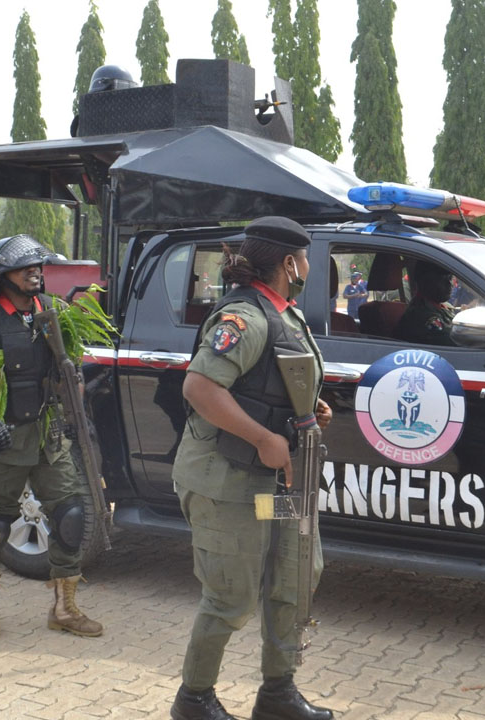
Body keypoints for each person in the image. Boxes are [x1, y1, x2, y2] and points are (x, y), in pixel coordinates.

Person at [170, 216, 334, 720]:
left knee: (294, 576)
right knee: (232, 595)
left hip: (276, 485)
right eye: (305, 258)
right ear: (289, 262)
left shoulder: (284, 313)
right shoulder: (246, 318)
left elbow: (271, 380)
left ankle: (277, 695)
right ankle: (193, 700)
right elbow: (200, 388)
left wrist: (305, 409)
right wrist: (265, 437)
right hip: (229, 483)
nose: (309, 266)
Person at [0, 234, 103, 641]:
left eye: (38, 266)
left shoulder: (52, 311)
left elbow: (70, 365)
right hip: (3, 440)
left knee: (71, 518)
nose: (35, 273)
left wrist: (73, 394)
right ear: (0, 275)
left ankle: (64, 607)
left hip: (49, 435)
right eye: (25, 267)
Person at [396, 262, 460, 347]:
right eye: (442, 278)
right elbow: (455, 343)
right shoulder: (422, 315)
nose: (449, 284)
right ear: (425, 282)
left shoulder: (439, 306)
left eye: (450, 278)